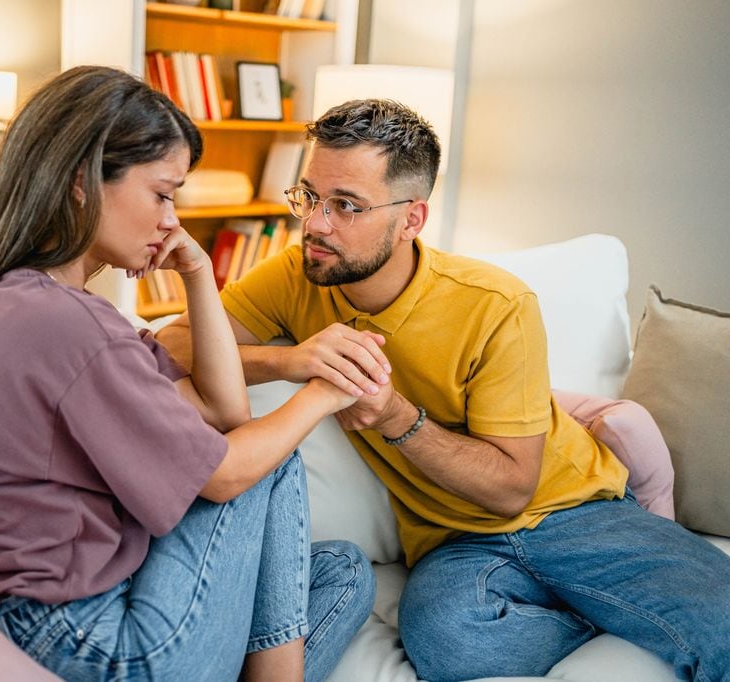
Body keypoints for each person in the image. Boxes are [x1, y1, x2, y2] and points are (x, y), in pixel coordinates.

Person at [157, 98, 730, 680]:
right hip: (453, 545)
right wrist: (293, 361)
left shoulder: (496, 305)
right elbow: (172, 346)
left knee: (724, 622)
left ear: (412, 220)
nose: (316, 224)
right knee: (449, 643)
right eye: (310, 197)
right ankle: (608, 615)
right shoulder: (298, 273)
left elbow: (512, 489)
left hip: (573, 510)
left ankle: (625, 604)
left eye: (346, 206)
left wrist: (393, 416)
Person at [0, 65, 375, 682]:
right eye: (162, 193)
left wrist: (197, 275)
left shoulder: (30, 303)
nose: (170, 220)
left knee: (342, 571)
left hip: (72, 618)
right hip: (85, 645)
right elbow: (229, 470)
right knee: (270, 457)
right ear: (82, 182)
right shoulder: (64, 327)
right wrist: (324, 393)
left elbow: (221, 408)